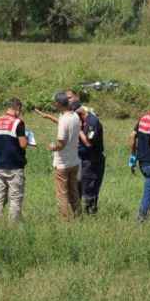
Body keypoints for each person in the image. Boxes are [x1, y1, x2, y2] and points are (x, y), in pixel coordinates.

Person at [0, 98, 29, 222]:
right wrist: (27, 137)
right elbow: (23, 144)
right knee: (15, 197)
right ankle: (13, 225)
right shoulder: (18, 123)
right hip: (15, 166)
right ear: (17, 108)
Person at [45, 92, 82, 221]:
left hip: (62, 163)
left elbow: (61, 143)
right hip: (74, 161)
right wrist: (49, 117)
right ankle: (78, 216)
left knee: (62, 193)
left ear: (58, 104)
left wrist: (52, 147)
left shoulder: (63, 120)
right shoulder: (75, 116)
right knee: (74, 191)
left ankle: (64, 220)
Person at [77, 105, 105, 214]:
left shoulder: (92, 122)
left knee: (90, 187)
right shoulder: (84, 120)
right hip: (83, 158)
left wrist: (79, 130)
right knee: (80, 186)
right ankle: (79, 213)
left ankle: (90, 213)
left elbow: (88, 143)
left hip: (92, 160)